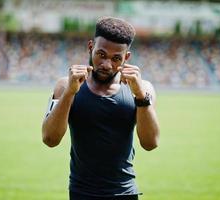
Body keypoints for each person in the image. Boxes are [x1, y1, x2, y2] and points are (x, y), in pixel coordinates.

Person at [42, 16, 160, 200]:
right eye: (101, 54)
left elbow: (150, 143)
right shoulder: (65, 85)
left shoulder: (143, 89)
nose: (107, 65)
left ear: (126, 57)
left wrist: (140, 96)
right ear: (91, 47)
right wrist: (69, 94)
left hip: (125, 192)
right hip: (81, 193)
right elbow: (50, 139)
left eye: (116, 59)